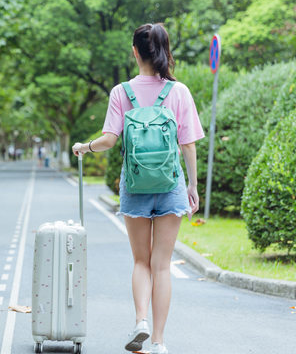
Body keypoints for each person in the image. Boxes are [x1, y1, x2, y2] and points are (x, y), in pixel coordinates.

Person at [72, 23, 203, 354]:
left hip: (134, 184)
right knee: (162, 265)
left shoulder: (121, 92)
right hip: (170, 184)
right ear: (165, 51)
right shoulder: (179, 92)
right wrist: (193, 185)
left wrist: (83, 147)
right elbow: (187, 145)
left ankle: (140, 321)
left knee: (141, 262)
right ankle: (158, 341)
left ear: (135, 52)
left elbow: (108, 141)